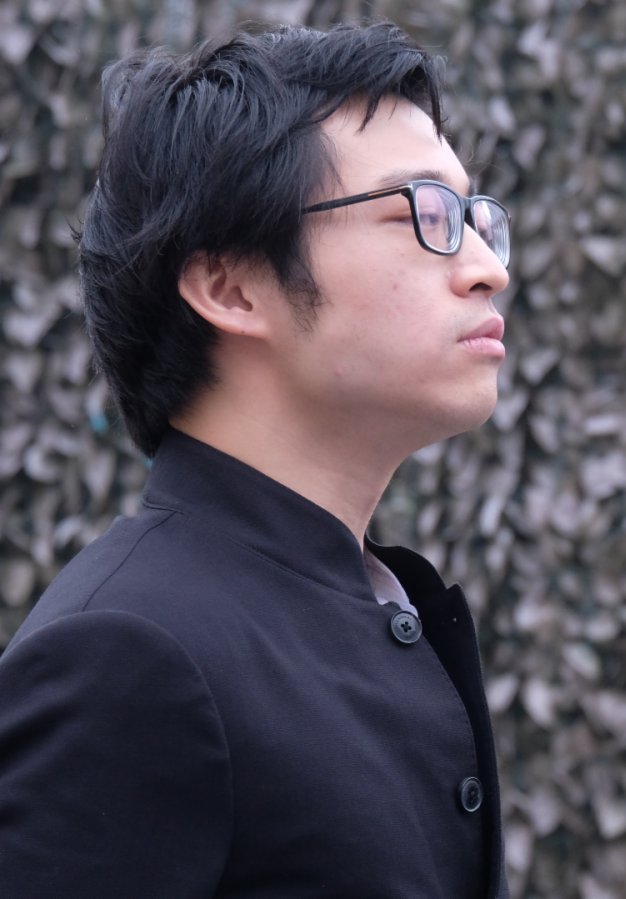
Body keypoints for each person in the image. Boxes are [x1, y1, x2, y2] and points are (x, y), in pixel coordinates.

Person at [0, 22, 513, 897]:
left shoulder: (378, 607)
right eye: (422, 214)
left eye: (474, 219)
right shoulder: (128, 654)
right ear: (231, 287)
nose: (483, 268)